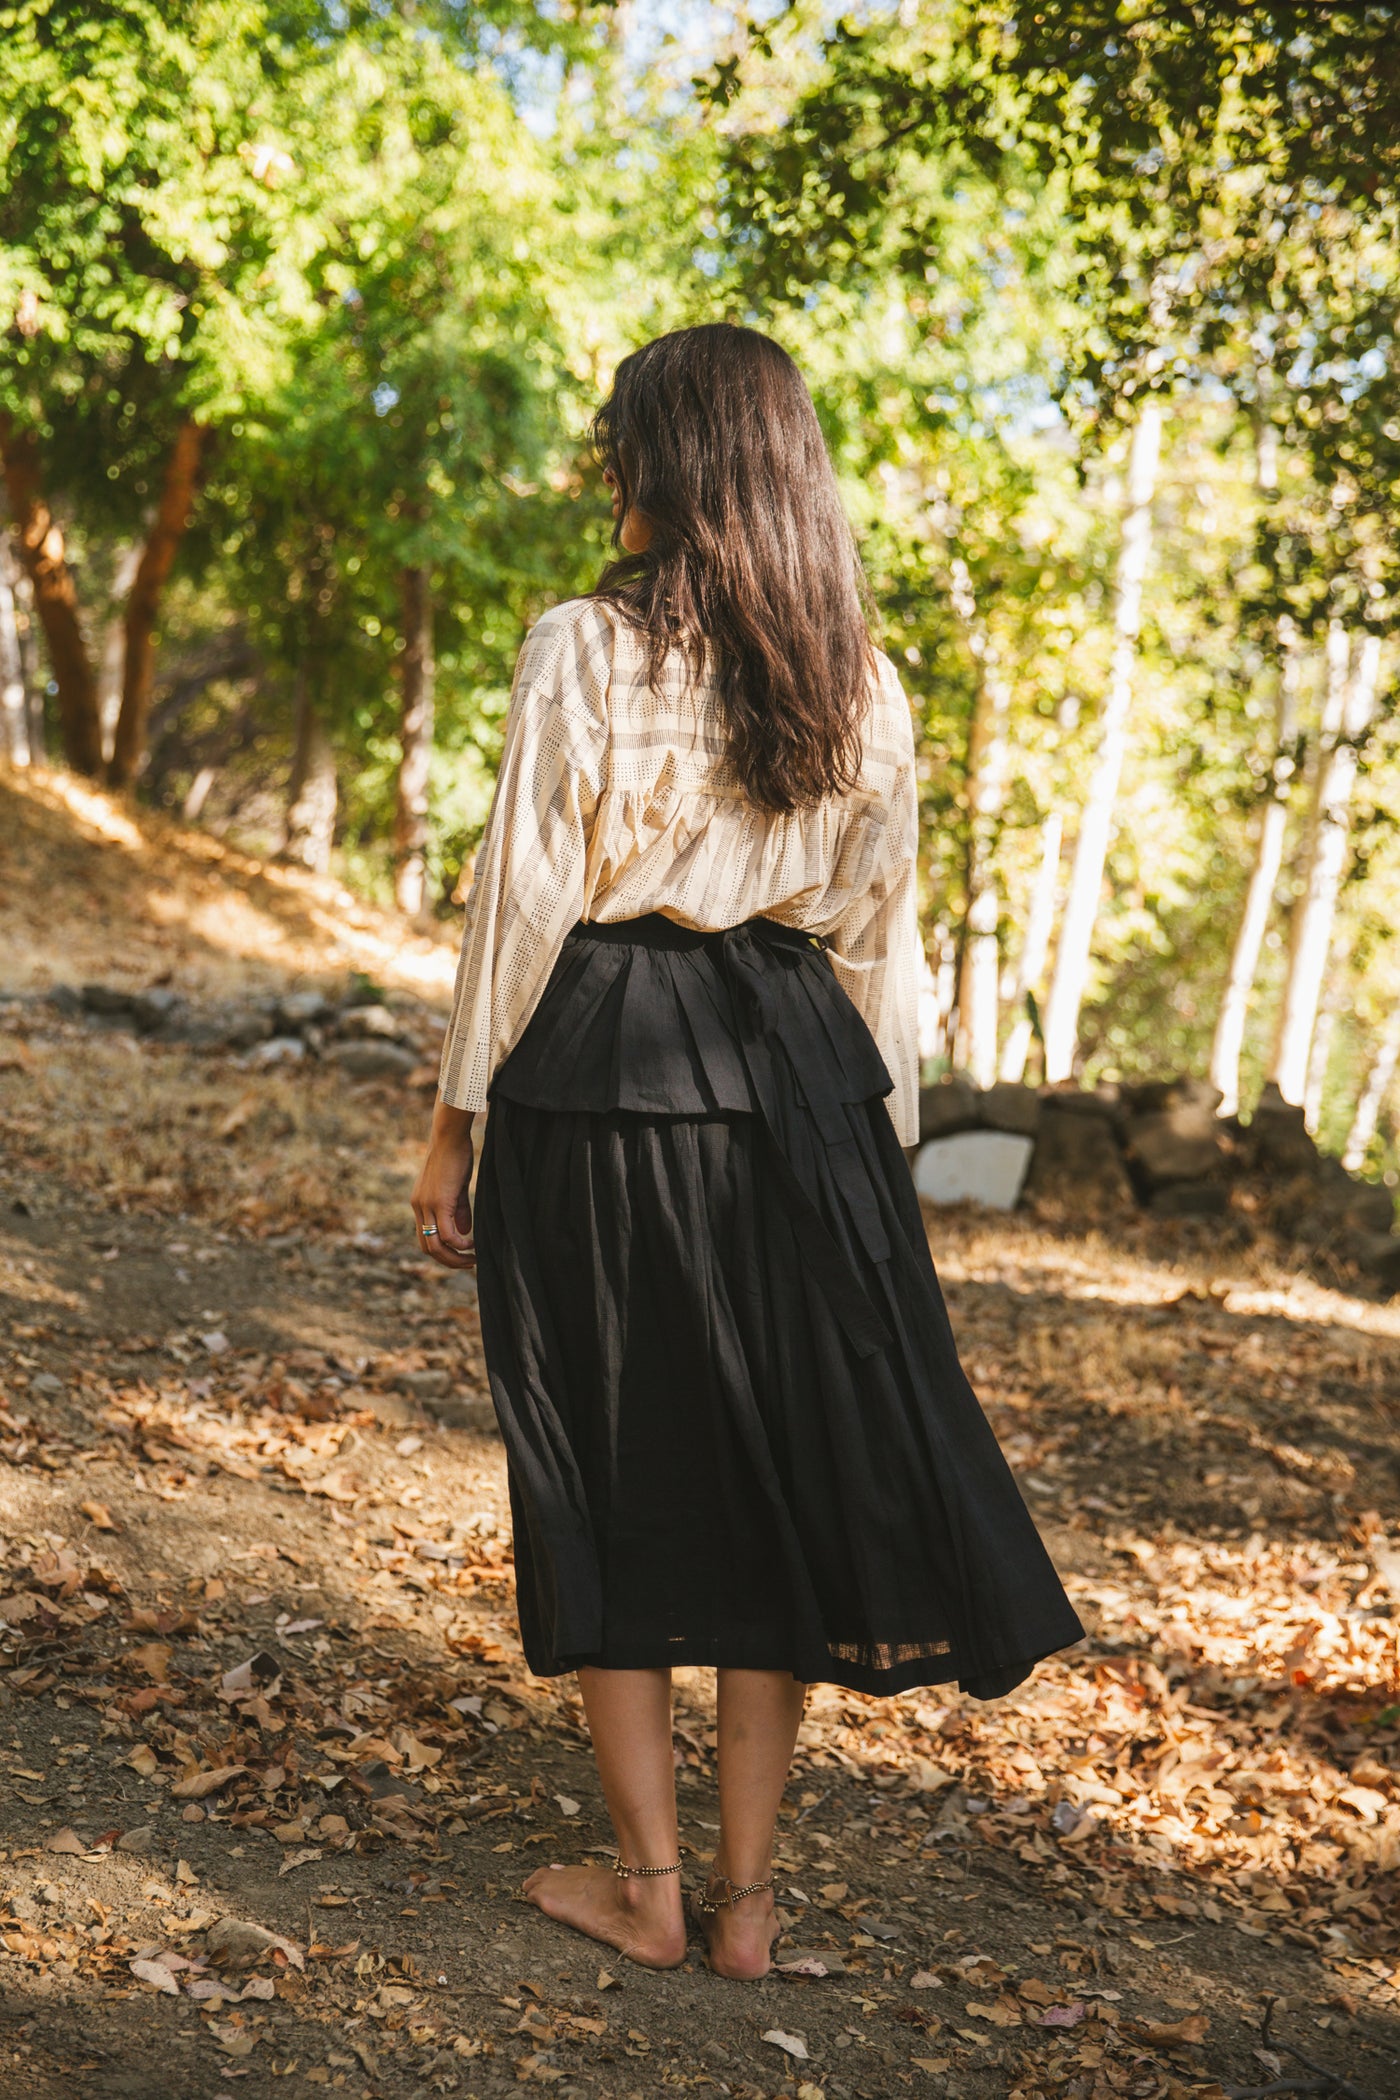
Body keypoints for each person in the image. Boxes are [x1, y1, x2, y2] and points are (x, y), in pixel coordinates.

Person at [411, 322, 1083, 1982]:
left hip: (599, 1067)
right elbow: (878, 944)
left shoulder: (582, 646)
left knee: (610, 1463)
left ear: (674, 463)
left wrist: (452, 1125)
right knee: (774, 1471)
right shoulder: (858, 677)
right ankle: (750, 1913)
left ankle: (648, 1885)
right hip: (799, 1084)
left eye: (623, 442)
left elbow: (523, 905)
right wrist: (883, 1168)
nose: (606, 471)